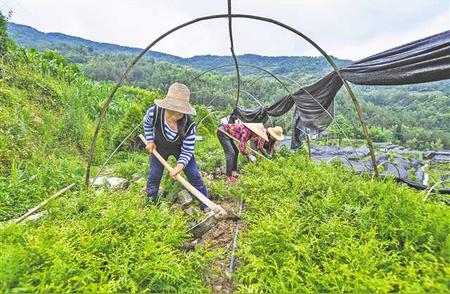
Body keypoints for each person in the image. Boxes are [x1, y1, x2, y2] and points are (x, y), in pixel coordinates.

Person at [143, 82, 208, 209]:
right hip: (160, 147)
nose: (177, 116)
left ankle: (206, 205)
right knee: (154, 175)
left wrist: (180, 166)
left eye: (181, 112)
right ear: (167, 106)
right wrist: (150, 141)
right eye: (173, 112)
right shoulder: (154, 112)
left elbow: (188, 149)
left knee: (194, 175)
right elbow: (147, 123)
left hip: (181, 149)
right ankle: (150, 204)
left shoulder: (189, 125)